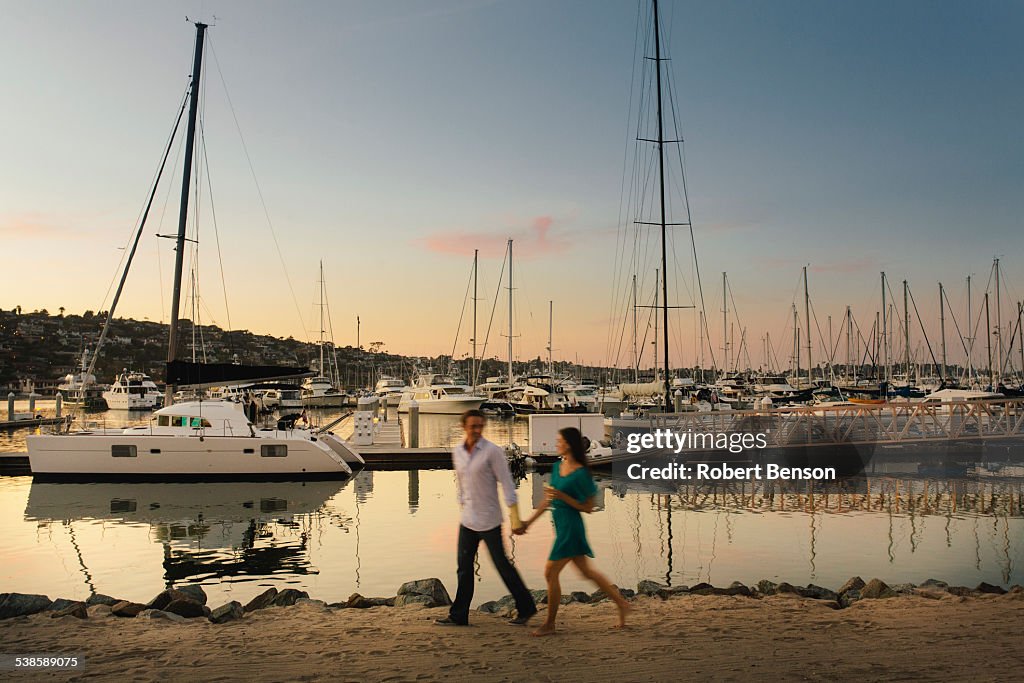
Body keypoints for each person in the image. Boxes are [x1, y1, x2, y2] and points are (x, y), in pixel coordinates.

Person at [522, 427, 630, 636]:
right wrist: (529, 522)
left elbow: (588, 507)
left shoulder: (581, 472)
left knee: (550, 572)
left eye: (559, 440)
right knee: (587, 572)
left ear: (569, 444)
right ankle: (621, 604)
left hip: (571, 528)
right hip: (560, 525)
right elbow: (548, 500)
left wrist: (564, 498)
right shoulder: (557, 467)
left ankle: (550, 624)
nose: (556, 443)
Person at [435, 409, 537, 626]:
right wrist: (461, 501)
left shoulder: (493, 452)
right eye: (473, 426)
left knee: (502, 565)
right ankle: (458, 616)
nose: (477, 430)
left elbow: (508, 484)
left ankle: (526, 608)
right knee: (463, 568)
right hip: (468, 520)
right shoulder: (458, 452)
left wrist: (515, 518)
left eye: (480, 426)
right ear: (464, 426)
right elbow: (461, 481)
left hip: (490, 519)